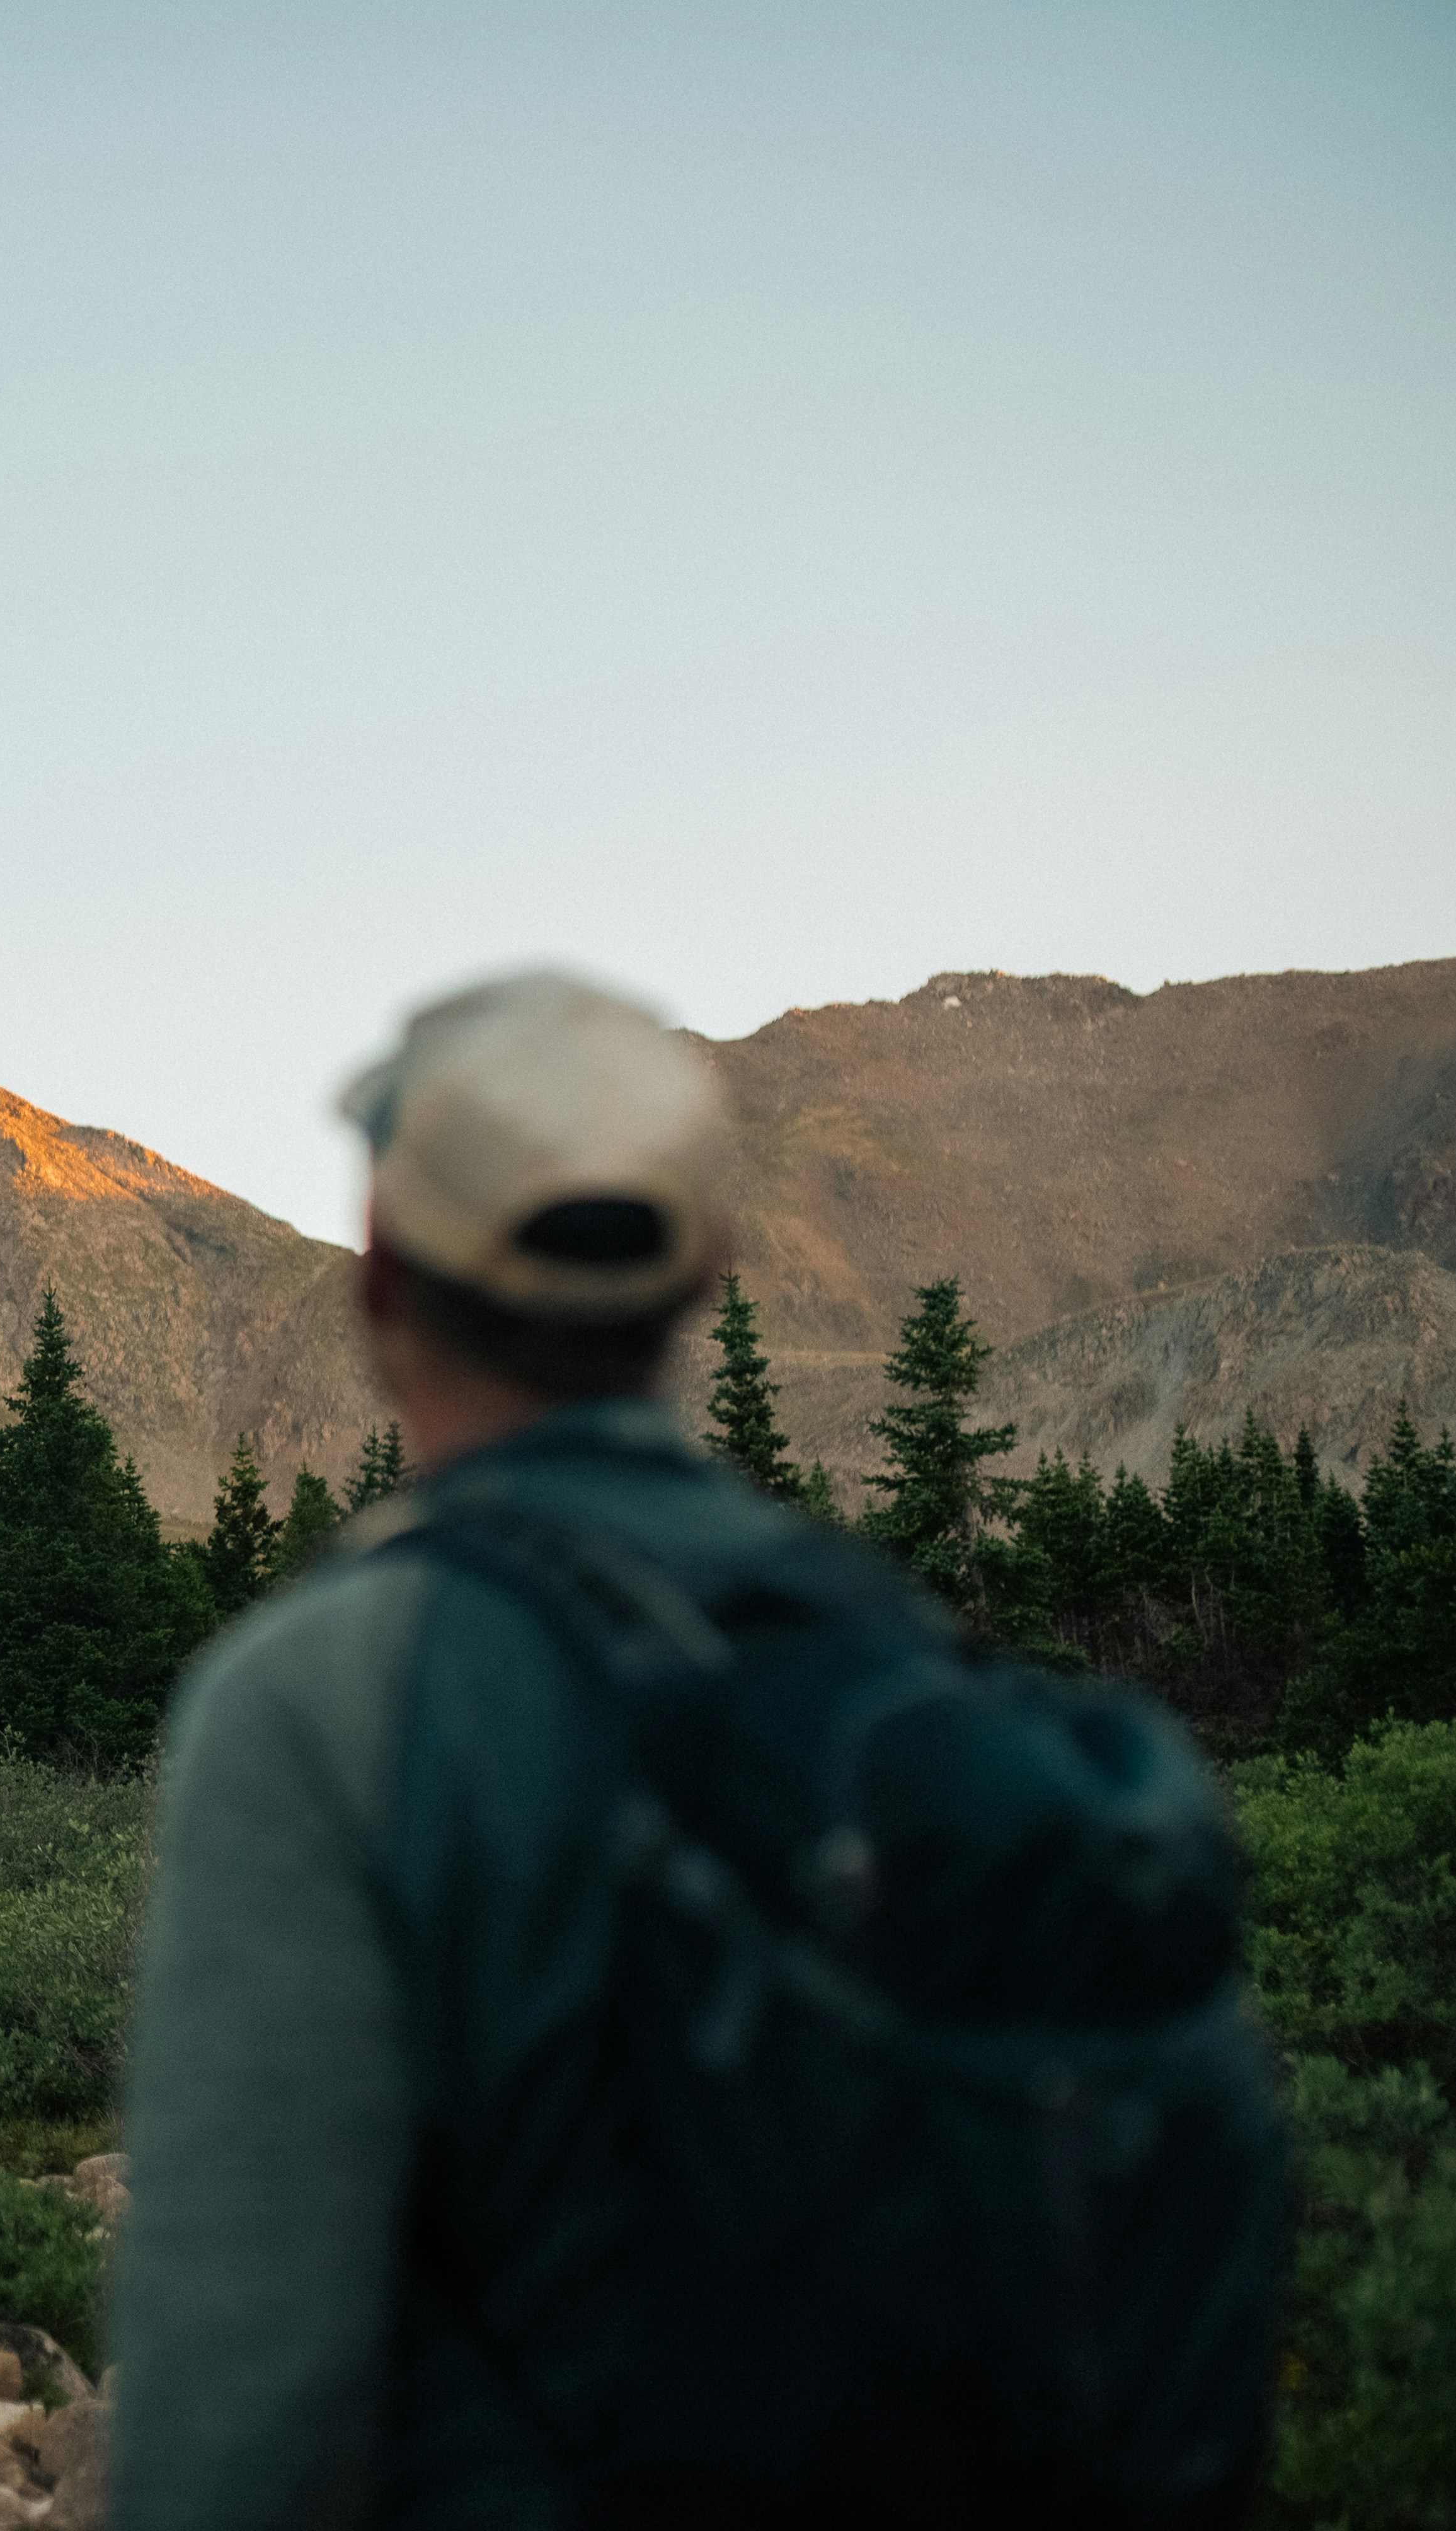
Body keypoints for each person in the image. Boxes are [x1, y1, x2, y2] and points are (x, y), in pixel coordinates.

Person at [106, 972, 1280, 2531]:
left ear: (378, 1268)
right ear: (704, 1270)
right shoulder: (883, 1641)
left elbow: (235, 2435)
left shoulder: (317, 1697)